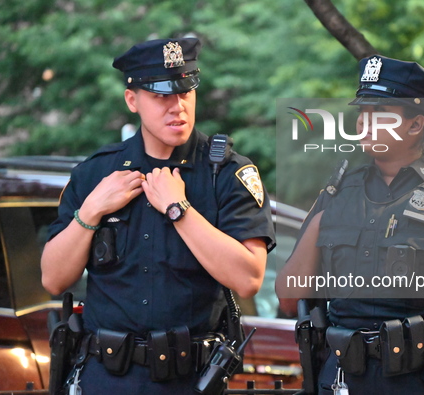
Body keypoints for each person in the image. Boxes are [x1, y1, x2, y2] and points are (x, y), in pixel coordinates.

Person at [41, 36, 275, 394]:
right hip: (105, 377)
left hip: (189, 379)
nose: (177, 107)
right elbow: (53, 280)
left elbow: (248, 279)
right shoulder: (95, 174)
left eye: (185, 93)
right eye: (161, 96)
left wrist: (179, 210)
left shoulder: (227, 174)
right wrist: (91, 210)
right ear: (132, 100)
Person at [275, 55, 424, 394]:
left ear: (416, 125)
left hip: (422, 380)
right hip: (343, 379)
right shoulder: (336, 193)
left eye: (379, 114)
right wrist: (320, 222)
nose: (364, 123)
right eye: (362, 113)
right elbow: (288, 299)